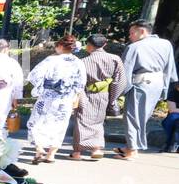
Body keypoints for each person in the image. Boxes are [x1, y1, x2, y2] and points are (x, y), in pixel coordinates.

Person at [113, 19, 178, 159]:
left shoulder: (134, 47)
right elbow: (170, 68)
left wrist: (118, 91)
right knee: (142, 117)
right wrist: (166, 86)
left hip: (141, 83)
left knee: (133, 116)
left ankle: (131, 149)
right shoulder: (166, 44)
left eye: (131, 32)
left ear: (141, 31)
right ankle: (132, 145)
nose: (130, 36)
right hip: (158, 83)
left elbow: (125, 71)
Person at [26, 35, 86, 164]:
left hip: (48, 96)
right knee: (59, 125)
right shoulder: (78, 62)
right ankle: (51, 155)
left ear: (60, 46)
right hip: (66, 98)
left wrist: (40, 87)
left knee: (36, 123)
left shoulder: (52, 60)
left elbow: (35, 75)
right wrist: (75, 95)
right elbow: (81, 83)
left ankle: (39, 149)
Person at [71, 33, 121, 161]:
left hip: (85, 92)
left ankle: (77, 153)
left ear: (88, 46)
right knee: (98, 121)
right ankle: (96, 149)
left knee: (82, 121)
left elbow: (77, 81)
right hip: (104, 94)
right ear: (104, 44)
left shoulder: (83, 61)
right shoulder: (115, 59)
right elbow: (119, 81)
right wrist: (113, 98)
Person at [162, 78, 179, 153]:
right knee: (172, 118)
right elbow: (172, 110)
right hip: (175, 116)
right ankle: (173, 145)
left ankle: (170, 144)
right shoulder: (173, 93)